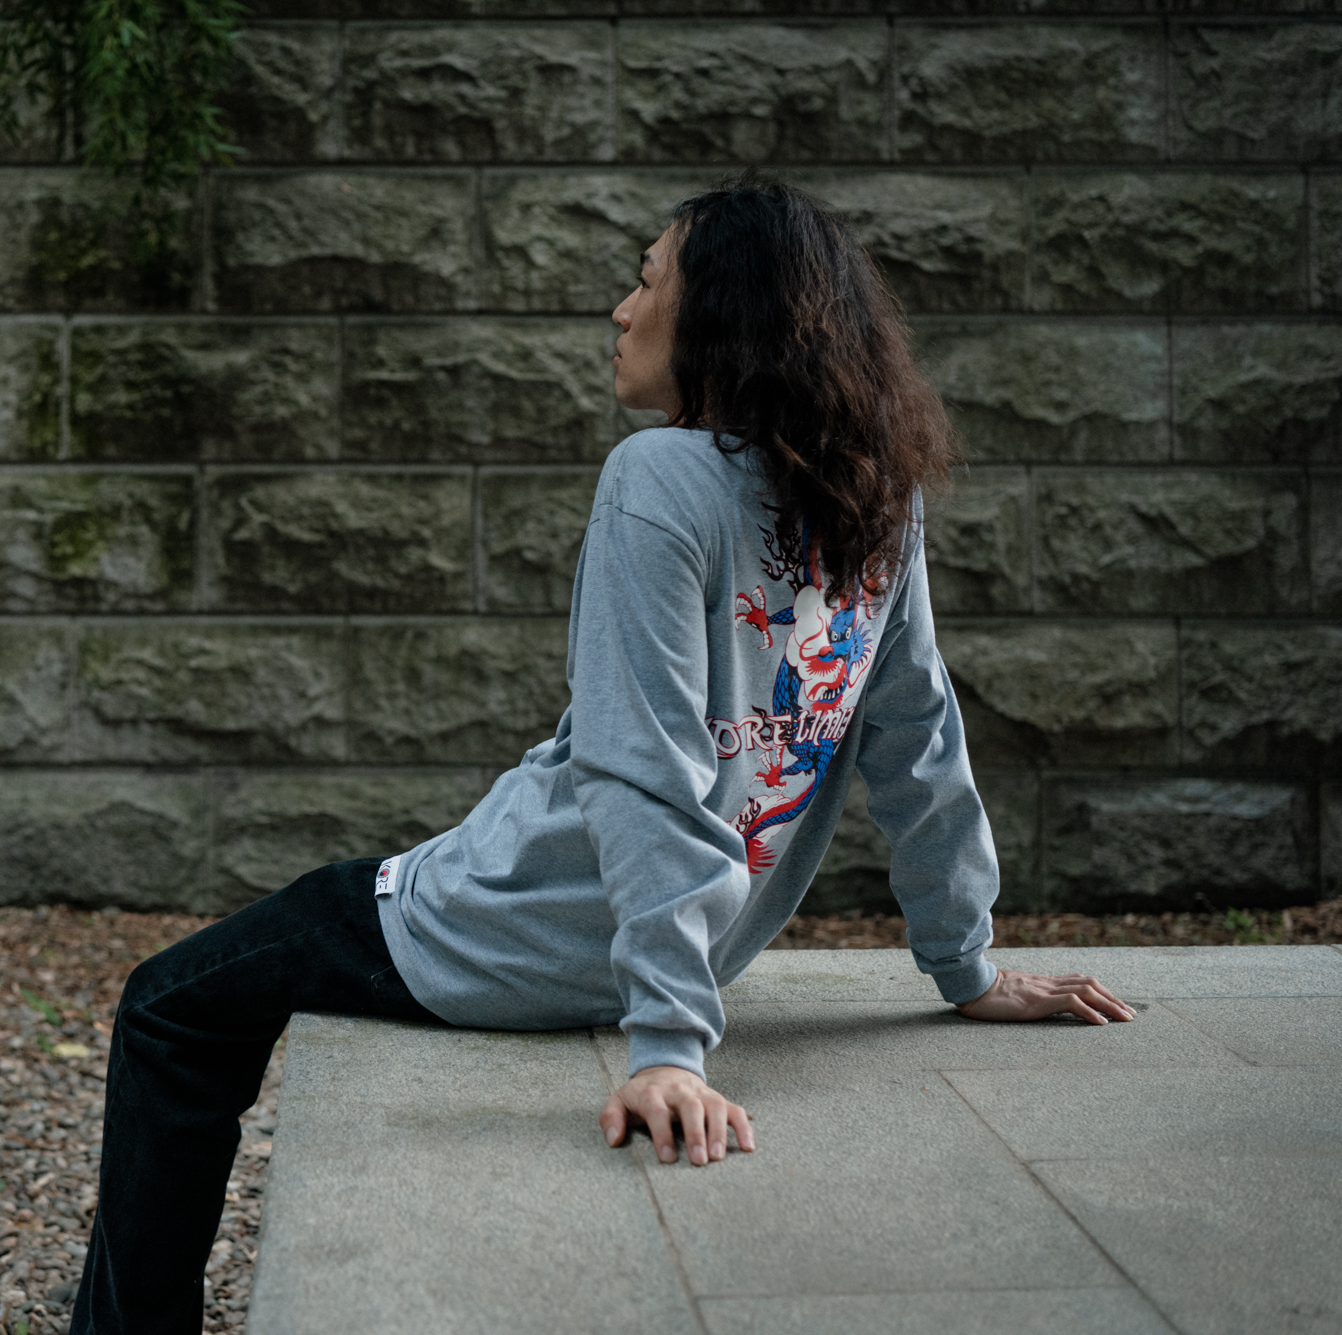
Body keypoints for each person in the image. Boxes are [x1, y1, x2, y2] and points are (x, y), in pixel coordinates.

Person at [66, 174, 1135, 1333]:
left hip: (506, 930)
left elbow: (643, 765)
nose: (620, 310)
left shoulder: (656, 475)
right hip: (677, 938)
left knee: (168, 1006)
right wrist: (962, 965)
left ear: (720, 313)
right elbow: (915, 733)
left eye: (644, 279)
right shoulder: (876, 494)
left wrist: (666, 1045)